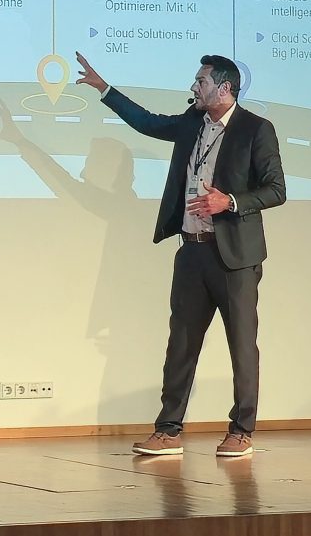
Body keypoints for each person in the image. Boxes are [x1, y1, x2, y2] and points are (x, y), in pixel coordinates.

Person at [75, 51, 286, 458]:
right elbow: (148, 122)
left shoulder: (256, 129)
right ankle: (168, 430)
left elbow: (276, 189)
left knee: (242, 346)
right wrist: (104, 88)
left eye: (201, 81)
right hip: (192, 251)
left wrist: (230, 202)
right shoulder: (193, 122)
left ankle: (241, 431)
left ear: (224, 88)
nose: (194, 87)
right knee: (181, 345)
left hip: (236, 258)